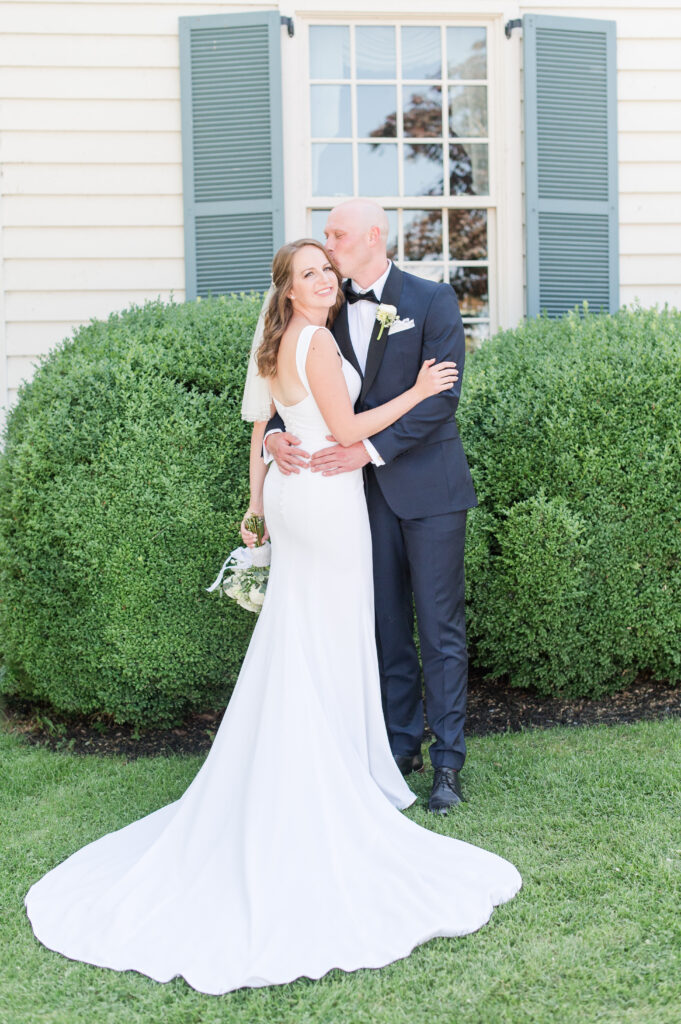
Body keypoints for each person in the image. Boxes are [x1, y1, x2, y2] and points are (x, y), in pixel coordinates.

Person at [24, 238, 521, 996]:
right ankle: (328, 780)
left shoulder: (280, 341)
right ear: (289, 291)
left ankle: (336, 762)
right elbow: (349, 432)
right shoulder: (315, 337)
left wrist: (259, 496)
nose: (327, 279)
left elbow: (264, 428)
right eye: (311, 273)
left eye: (330, 268)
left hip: (301, 498)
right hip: (325, 501)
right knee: (326, 632)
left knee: (304, 633)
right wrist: (420, 390)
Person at [262, 200, 477, 814]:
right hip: (356, 501)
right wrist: (277, 434)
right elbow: (301, 389)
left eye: (337, 232)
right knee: (383, 626)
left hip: (429, 491)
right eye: (325, 235)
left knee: (438, 630)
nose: (328, 244)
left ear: (374, 236)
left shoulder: (431, 300)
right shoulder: (322, 310)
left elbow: (441, 400)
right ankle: (398, 743)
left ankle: (448, 763)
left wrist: (368, 451)